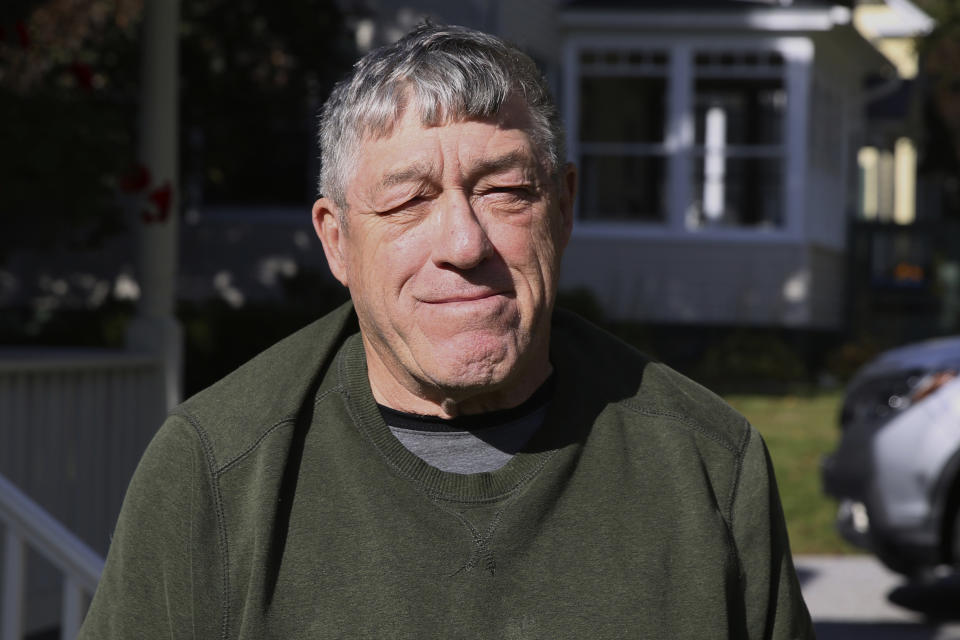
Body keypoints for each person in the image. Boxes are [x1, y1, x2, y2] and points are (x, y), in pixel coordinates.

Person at [79, 23, 813, 639]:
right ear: (336, 241)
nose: (463, 243)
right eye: (407, 201)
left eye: (504, 191)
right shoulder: (215, 472)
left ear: (563, 208)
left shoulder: (708, 463)